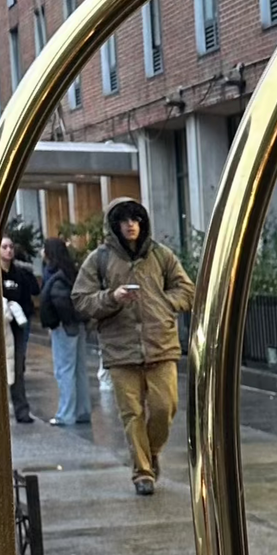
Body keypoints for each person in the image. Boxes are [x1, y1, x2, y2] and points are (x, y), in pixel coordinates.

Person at [72, 197, 194, 495]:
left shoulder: (161, 255)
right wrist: (112, 297)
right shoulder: (98, 259)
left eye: (136, 219)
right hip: (120, 350)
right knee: (132, 414)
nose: (131, 225)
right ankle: (142, 472)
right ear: (115, 225)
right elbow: (81, 299)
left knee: (164, 408)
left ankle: (150, 454)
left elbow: (187, 289)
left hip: (160, 346)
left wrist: (164, 303)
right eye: (125, 220)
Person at [40, 235, 91, 427]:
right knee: (79, 370)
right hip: (76, 325)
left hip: (63, 326)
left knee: (64, 370)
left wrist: (56, 322)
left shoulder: (53, 273)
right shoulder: (71, 271)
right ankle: (82, 410)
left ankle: (65, 414)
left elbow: (59, 301)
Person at [0, 235, 40, 423]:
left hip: (17, 326)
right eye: (4, 247)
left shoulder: (20, 274)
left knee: (17, 366)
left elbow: (31, 293)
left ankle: (21, 409)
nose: (8, 250)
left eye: (11, 247)